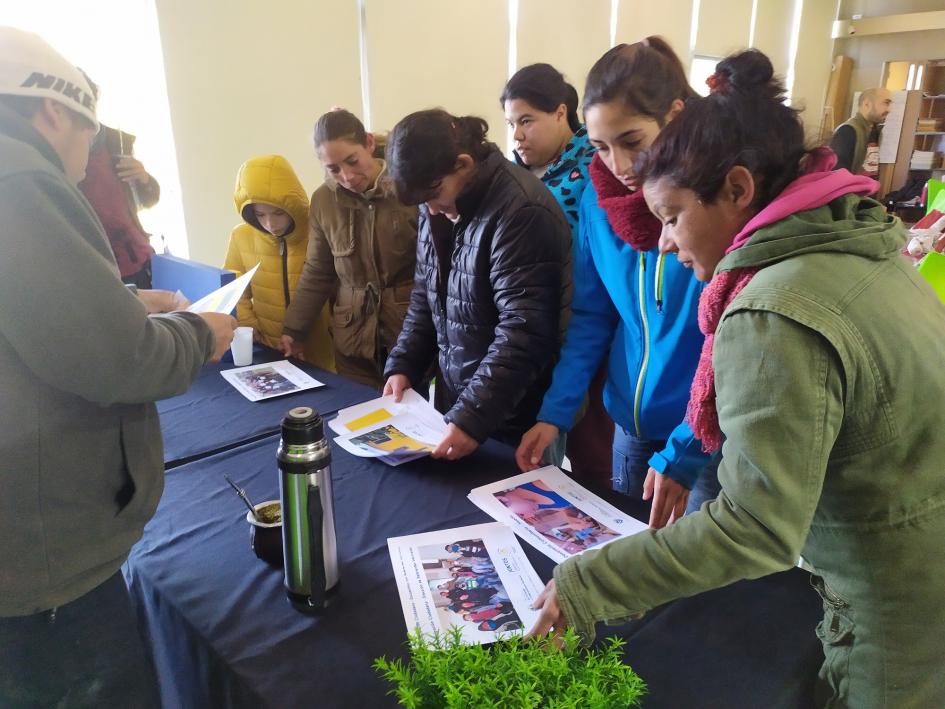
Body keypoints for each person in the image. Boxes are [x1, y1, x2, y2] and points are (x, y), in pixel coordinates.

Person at [528, 49, 945, 708]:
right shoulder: (857, 243)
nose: (663, 242)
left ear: (738, 190)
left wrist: (587, 582)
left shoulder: (772, 306)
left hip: (895, 614)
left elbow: (754, 525)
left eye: (669, 217)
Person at [0, 28, 236, 707]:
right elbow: (118, 360)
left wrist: (126, 300)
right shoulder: (19, 177)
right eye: (90, 135)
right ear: (52, 109)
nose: (90, 158)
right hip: (45, 561)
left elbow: (34, 313)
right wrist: (198, 329)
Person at [515, 38, 719, 529]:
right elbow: (592, 315)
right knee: (628, 548)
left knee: (699, 576)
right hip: (631, 423)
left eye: (633, 142)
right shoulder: (597, 204)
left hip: (706, 434)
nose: (620, 167)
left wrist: (686, 450)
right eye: (602, 147)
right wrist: (556, 413)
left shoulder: (714, 205)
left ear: (674, 115)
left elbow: (728, 344)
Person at [382, 109, 572, 460]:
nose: (432, 210)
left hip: (516, 413)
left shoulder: (521, 210)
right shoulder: (440, 199)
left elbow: (523, 331)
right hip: (464, 403)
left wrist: (473, 416)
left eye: (434, 194)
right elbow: (426, 295)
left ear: (464, 164)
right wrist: (404, 364)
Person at [501, 63, 612, 487]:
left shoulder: (596, 171)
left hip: (586, 324)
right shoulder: (509, 177)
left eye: (527, 120)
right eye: (511, 123)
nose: (517, 135)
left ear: (561, 113)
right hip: (529, 327)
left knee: (591, 450)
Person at [280, 109, 418, 388]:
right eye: (333, 169)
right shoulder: (323, 201)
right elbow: (318, 271)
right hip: (352, 339)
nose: (347, 176)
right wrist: (294, 330)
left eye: (352, 161)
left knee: (410, 424)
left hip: (409, 337)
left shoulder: (409, 188)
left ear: (368, 143)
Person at [224, 154, 334, 370]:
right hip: (268, 346)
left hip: (321, 347)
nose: (271, 224)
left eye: (278, 213)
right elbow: (234, 288)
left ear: (292, 205)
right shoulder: (241, 236)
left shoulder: (319, 230)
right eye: (260, 214)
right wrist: (248, 324)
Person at [77, 73, 161, 289]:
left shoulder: (116, 142)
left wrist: (144, 179)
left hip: (138, 258)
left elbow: (146, 202)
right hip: (96, 269)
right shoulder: (59, 152)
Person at [829, 87, 892, 177]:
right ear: (867, 104)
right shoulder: (847, 131)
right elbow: (837, 176)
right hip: (850, 190)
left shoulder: (875, 132)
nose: (889, 110)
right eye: (886, 103)